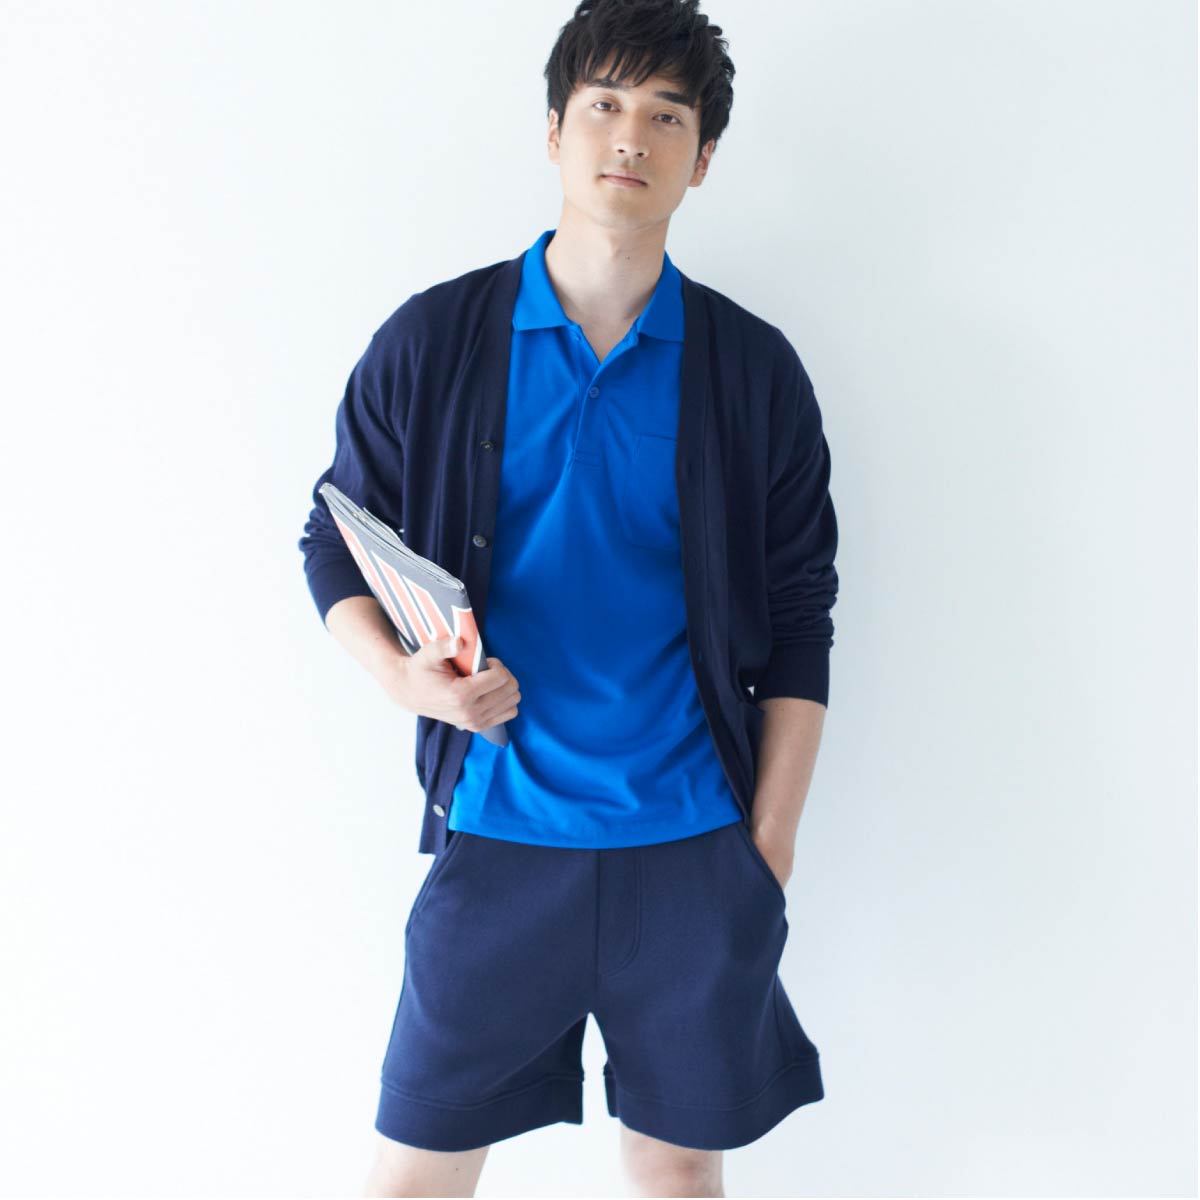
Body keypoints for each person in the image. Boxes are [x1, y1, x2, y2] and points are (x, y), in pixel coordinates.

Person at [297, 1, 839, 1194]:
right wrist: (406, 683)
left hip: (692, 843)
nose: (630, 135)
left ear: (703, 158)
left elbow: (802, 613)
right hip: (499, 834)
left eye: (667, 115)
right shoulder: (437, 340)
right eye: (604, 104)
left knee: (677, 1172)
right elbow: (335, 534)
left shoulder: (751, 372)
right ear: (554, 131)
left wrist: (769, 845)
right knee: (416, 1174)